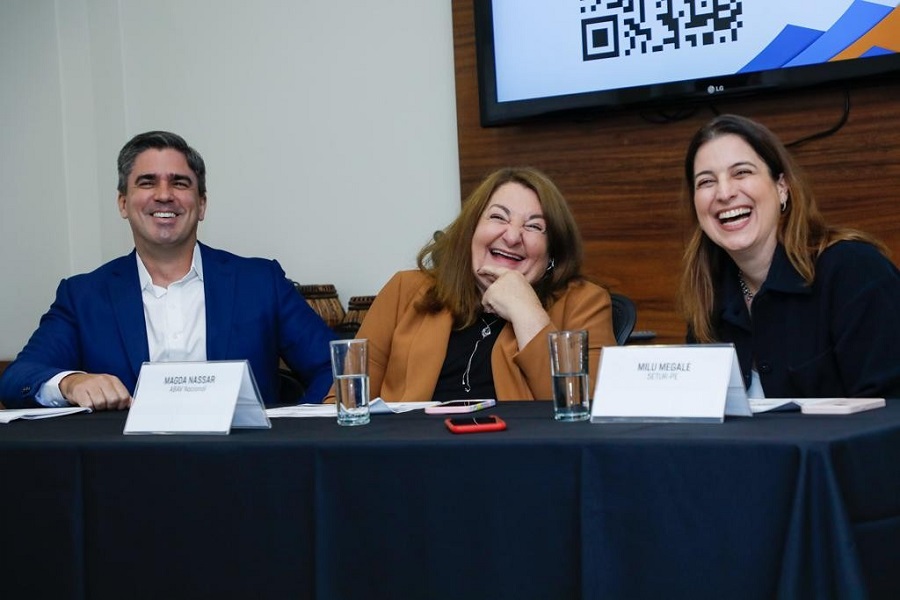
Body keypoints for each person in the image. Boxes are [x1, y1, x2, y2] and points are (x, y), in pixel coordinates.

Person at [0, 131, 335, 410]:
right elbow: (17, 379)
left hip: (245, 472)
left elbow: (336, 366)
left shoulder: (261, 283)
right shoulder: (83, 296)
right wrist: (71, 383)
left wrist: (292, 431)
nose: (164, 195)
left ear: (201, 204)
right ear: (123, 203)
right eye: (147, 182)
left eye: (179, 183)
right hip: (125, 477)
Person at [328, 166, 615, 403]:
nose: (512, 237)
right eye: (498, 217)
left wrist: (526, 310)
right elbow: (344, 402)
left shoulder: (585, 302)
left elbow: (585, 408)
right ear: (470, 232)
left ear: (553, 251)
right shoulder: (405, 290)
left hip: (519, 463)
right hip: (409, 461)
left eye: (534, 226)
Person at [678, 114, 900, 398]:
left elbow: (891, 414)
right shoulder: (708, 295)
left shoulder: (854, 270)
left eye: (741, 172)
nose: (724, 193)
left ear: (782, 187)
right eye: (706, 182)